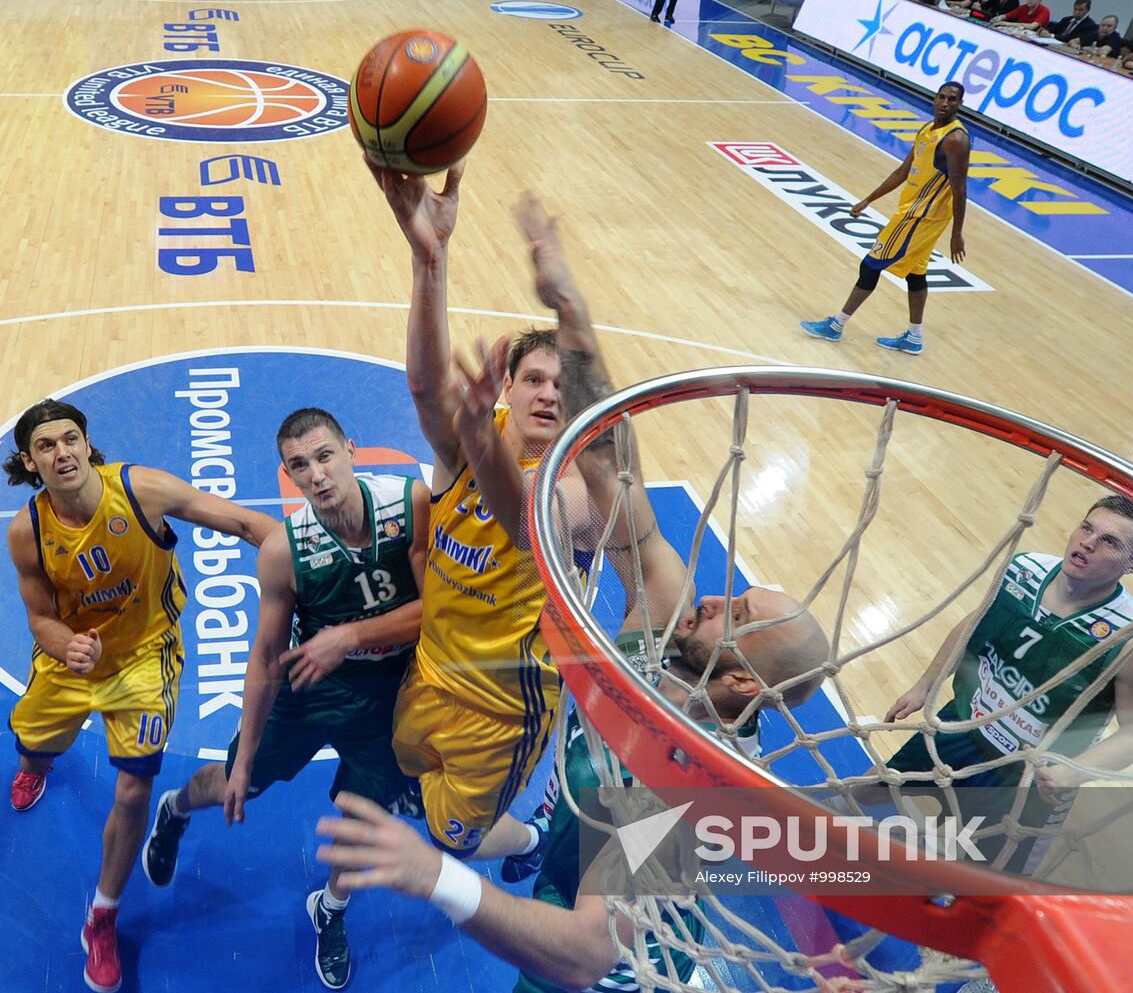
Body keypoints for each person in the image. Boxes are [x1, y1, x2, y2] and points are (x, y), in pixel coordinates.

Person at [314, 196, 830, 992]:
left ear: (739, 682)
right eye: (533, 380)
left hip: (613, 965)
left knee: (483, 868)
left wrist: (434, 878)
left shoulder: (680, 781)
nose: (717, 599)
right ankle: (533, 831)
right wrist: (571, 305)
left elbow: (587, 954)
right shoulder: (654, 629)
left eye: (738, 615)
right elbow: (616, 465)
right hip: (496, 747)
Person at [137, 407, 429, 990]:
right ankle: (175, 807)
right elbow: (267, 658)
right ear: (288, 474)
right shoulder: (285, 550)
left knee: (363, 817)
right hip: (310, 690)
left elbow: (441, 614)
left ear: (351, 448)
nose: (317, 475)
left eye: (324, 457)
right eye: (300, 466)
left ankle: (331, 908)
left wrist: (349, 636)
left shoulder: (410, 503)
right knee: (230, 781)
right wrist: (244, 759)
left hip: (391, 694)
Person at [3, 398, 277, 993]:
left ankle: (101, 915)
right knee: (33, 746)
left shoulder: (139, 490)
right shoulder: (27, 531)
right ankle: (36, 763)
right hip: (71, 659)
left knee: (133, 790)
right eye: (46, 446)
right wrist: (65, 644)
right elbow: (39, 618)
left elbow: (246, 524)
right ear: (30, 462)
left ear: (86, 444)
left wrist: (309, 557)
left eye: (70, 439)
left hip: (144, 659)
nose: (62, 453)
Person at [370, 164, 599, 867]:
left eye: (562, 385)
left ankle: (531, 838)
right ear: (508, 386)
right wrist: (427, 258)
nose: (548, 394)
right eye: (534, 378)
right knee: (407, 770)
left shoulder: (580, 485)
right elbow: (423, 384)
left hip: (503, 714)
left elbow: (525, 518)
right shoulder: (477, 432)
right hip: (429, 673)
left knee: (450, 841)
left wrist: (473, 439)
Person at [882, 496, 1133, 873]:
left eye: (1110, 541)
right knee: (871, 789)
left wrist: (1070, 773)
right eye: (1087, 527)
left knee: (983, 880)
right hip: (963, 726)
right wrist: (925, 683)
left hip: (1027, 775)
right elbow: (972, 624)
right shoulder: (1023, 570)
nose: (1087, 543)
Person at [800, 82, 970, 355]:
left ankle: (836, 325)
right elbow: (903, 171)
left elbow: (960, 188)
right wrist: (868, 199)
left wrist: (956, 233)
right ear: (934, 98)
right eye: (941, 97)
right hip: (915, 211)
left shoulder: (956, 140)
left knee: (870, 265)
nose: (945, 103)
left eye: (952, 100)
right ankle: (914, 337)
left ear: (960, 105)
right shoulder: (928, 129)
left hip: (921, 216)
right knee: (916, 273)